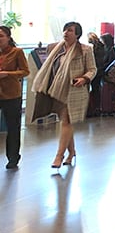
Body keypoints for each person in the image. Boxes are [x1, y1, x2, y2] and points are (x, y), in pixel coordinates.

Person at [32, 21, 97, 169]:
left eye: (70, 31)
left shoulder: (85, 50)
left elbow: (92, 69)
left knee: (66, 121)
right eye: (65, 30)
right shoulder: (55, 48)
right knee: (66, 122)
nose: (66, 33)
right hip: (57, 90)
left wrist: (84, 78)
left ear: (77, 34)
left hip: (75, 91)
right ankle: (71, 152)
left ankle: (59, 156)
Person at [0, 26, 29, 169]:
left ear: (8, 37)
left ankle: (13, 157)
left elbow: (25, 71)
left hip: (11, 94)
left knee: (12, 127)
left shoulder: (17, 52)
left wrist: (8, 74)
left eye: (1, 36)